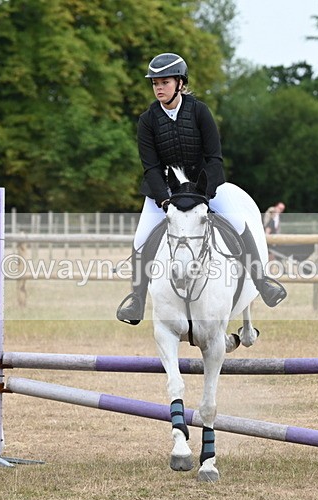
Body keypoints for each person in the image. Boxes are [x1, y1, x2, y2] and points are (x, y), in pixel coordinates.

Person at [116, 52, 287, 325]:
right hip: (165, 192)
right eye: (155, 83)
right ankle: (137, 300)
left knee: (238, 222)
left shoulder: (199, 111)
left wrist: (204, 195)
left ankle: (262, 281)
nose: (159, 88)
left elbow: (214, 158)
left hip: (204, 188)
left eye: (165, 82)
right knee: (140, 239)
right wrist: (163, 200)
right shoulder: (147, 120)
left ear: (180, 83)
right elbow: (151, 167)